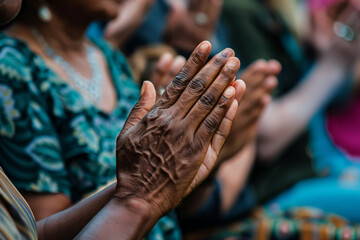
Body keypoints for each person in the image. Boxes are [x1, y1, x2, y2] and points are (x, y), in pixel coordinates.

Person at [0, 1, 247, 238]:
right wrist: (140, 192)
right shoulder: (11, 66)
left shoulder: (107, 55)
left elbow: (154, 181)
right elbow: (35, 232)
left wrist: (188, 149)